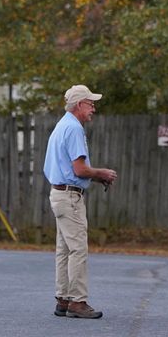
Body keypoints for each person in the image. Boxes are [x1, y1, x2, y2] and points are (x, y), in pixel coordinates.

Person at [42, 84, 118, 319]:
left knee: (64, 250)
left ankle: (63, 298)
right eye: (90, 103)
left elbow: (69, 168)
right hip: (70, 196)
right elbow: (79, 168)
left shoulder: (61, 125)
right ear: (79, 105)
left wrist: (93, 177)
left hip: (58, 193)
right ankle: (78, 301)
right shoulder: (74, 128)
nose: (93, 107)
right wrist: (101, 174)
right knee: (78, 250)